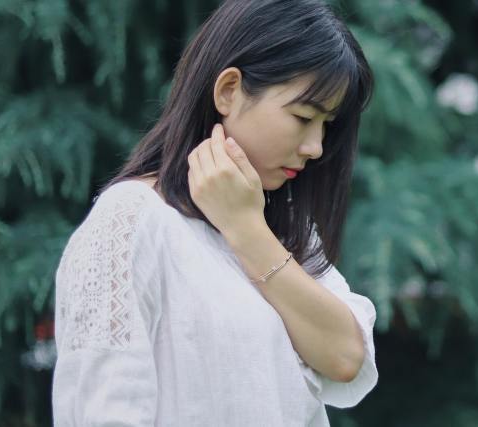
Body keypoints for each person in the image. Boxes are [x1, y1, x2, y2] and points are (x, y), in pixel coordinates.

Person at [51, 0, 377, 425]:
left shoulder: (278, 227)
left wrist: (245, 229)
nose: (315, 147)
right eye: (303, 117)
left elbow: (345, 356)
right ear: (228, 91)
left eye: (326, 125)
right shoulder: (131, 221)